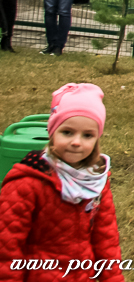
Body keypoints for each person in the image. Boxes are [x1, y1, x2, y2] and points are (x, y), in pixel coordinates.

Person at [0, 83, 124, 281]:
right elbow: (7, 247)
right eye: (67, 132)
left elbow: (106, 239)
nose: (76, 142)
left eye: (87, 135)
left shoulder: (97, 180)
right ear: (52, 132)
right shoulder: (27, 182)